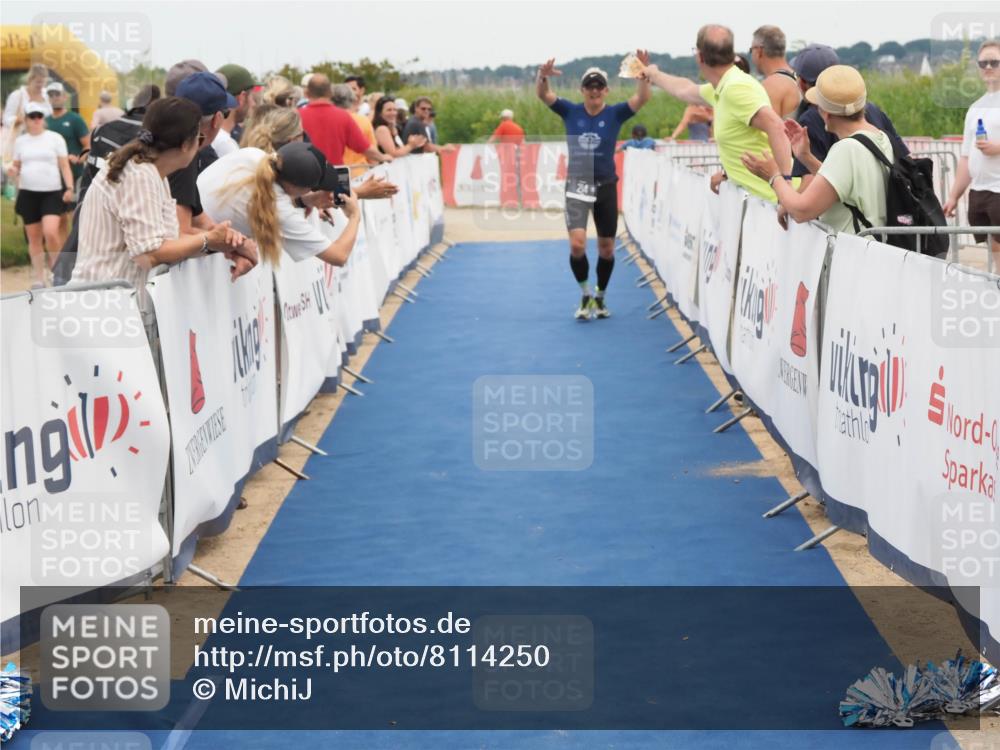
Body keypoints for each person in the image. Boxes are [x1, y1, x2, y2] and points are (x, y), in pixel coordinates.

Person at [70, 97, 256, 305]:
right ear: (186, 145)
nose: (200, 145)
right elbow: (148, 255)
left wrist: (225, 245)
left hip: (112, 304)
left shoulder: (153, 174)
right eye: (200, 138)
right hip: (103, 306)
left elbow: (172, 241)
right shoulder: (139, 176)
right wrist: (210, 241)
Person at [537, 55, 651, 320]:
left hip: (606, 186)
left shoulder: (615, 113)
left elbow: (642, 98)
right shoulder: (569, 110)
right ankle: (585, 293)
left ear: (606, 90)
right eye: (590, 86)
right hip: (577, 184)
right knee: (577, 246)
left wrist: (643, 74)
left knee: (606, 249)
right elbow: (544, 95)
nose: (595, 90)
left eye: (599, 86)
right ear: (582, 90)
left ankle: (600, 296)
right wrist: (542, 76)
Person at [640, 24, 791, 201]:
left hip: (773, 203)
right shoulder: (722, 87)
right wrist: (654, 74)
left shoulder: (736, 87)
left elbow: (776, 126)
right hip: (763, 202)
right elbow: (685, 89)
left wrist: (786, 190)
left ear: (700, 56)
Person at [741, 65, 893, 236]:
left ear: (826, 114)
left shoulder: (846, 149)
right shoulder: (879, 137)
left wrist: (774, 176)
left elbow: (801, 210)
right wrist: (806, 157)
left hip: (852, 253)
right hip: (874, 250)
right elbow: (842, 182)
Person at [51, 84, 162, 287]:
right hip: (128, 230)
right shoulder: (157, 136)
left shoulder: (102, 128)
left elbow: (87, 182)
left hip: (90, 218)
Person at [199, 141, 362, 267]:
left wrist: (303, 200)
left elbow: (260, 195)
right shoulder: (279, 210)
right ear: (301, 188)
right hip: (195, 248)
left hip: (189, 228)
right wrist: (354, 216)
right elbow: (339, 256)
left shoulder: (253, 154)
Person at [789, 44, 907, 182]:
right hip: (889, 199)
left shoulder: (810, 119)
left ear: (802, 83)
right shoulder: (872, 109)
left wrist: (776, 179)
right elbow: (903, 157)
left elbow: (811, 184)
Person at [943, 39, 1000, 269]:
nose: (988, 67)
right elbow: (966, 157)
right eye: (983, 63)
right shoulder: (976, 107)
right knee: (994, 248)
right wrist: (953, 196)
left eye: (994, 62)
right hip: (979, 191)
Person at [6, 102, 74, 287]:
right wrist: (12, 170)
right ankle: (39, 278)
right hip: (28, 193)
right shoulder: (21, 141)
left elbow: (64, 165)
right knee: (34, 237)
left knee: (51, 232)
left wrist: (69, 188)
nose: (36, 120)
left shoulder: (55, 138)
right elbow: (16, 165)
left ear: (43, 119)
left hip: (52, 192)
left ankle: (57, 272)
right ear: (26, 119)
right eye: (32, 116)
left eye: (39, 116)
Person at [170, 70, 237, 236]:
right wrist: (222, 245)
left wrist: (229, 239)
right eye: (226, 113)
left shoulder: (168, 142)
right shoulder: (183, 154)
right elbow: (180, 234)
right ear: (217, 119)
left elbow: (198, 217)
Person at [299, 74, 389, 166]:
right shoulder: (343, 116)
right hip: (334, 174)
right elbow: (363, 147)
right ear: (330, 93)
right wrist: (383, 157)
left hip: (306, 174)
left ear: (307, 93)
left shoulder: (297, 116)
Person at [45, 81, 90, 242]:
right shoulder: (44, 121)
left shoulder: (74, 119)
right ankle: (66, 260)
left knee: (75, 218)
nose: (54, 98)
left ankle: (81, 254)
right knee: (60, 219)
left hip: (75, 175)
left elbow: (88, 145)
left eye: (57, 94)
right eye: (51, 95)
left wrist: (79, 158)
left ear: (65, 97)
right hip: (53, 179)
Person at [750, 25, 801, 118]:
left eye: (751, 50)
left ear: (759, 51)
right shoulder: (800, 78)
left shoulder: (771, 86)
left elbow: (768, 130)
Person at [214, 63, 259, 154]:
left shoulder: (210, 138)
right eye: (251, 97)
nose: (253, 104)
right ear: (242, 97)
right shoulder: (226, 145)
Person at [337, 84, 378, 171]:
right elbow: (373, 156)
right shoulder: (363, 121)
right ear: (353, 100)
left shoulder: (326, 121)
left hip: (336, 172)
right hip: (360, 172)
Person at [3, 64, 51, 129]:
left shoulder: (47, 95)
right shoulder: (17, 95)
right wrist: (18, 120)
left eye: (43, 82)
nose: (41, 85)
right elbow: (6, 119)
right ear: (29, 80)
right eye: (38, 82)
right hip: (21, 136)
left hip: (44, 136)